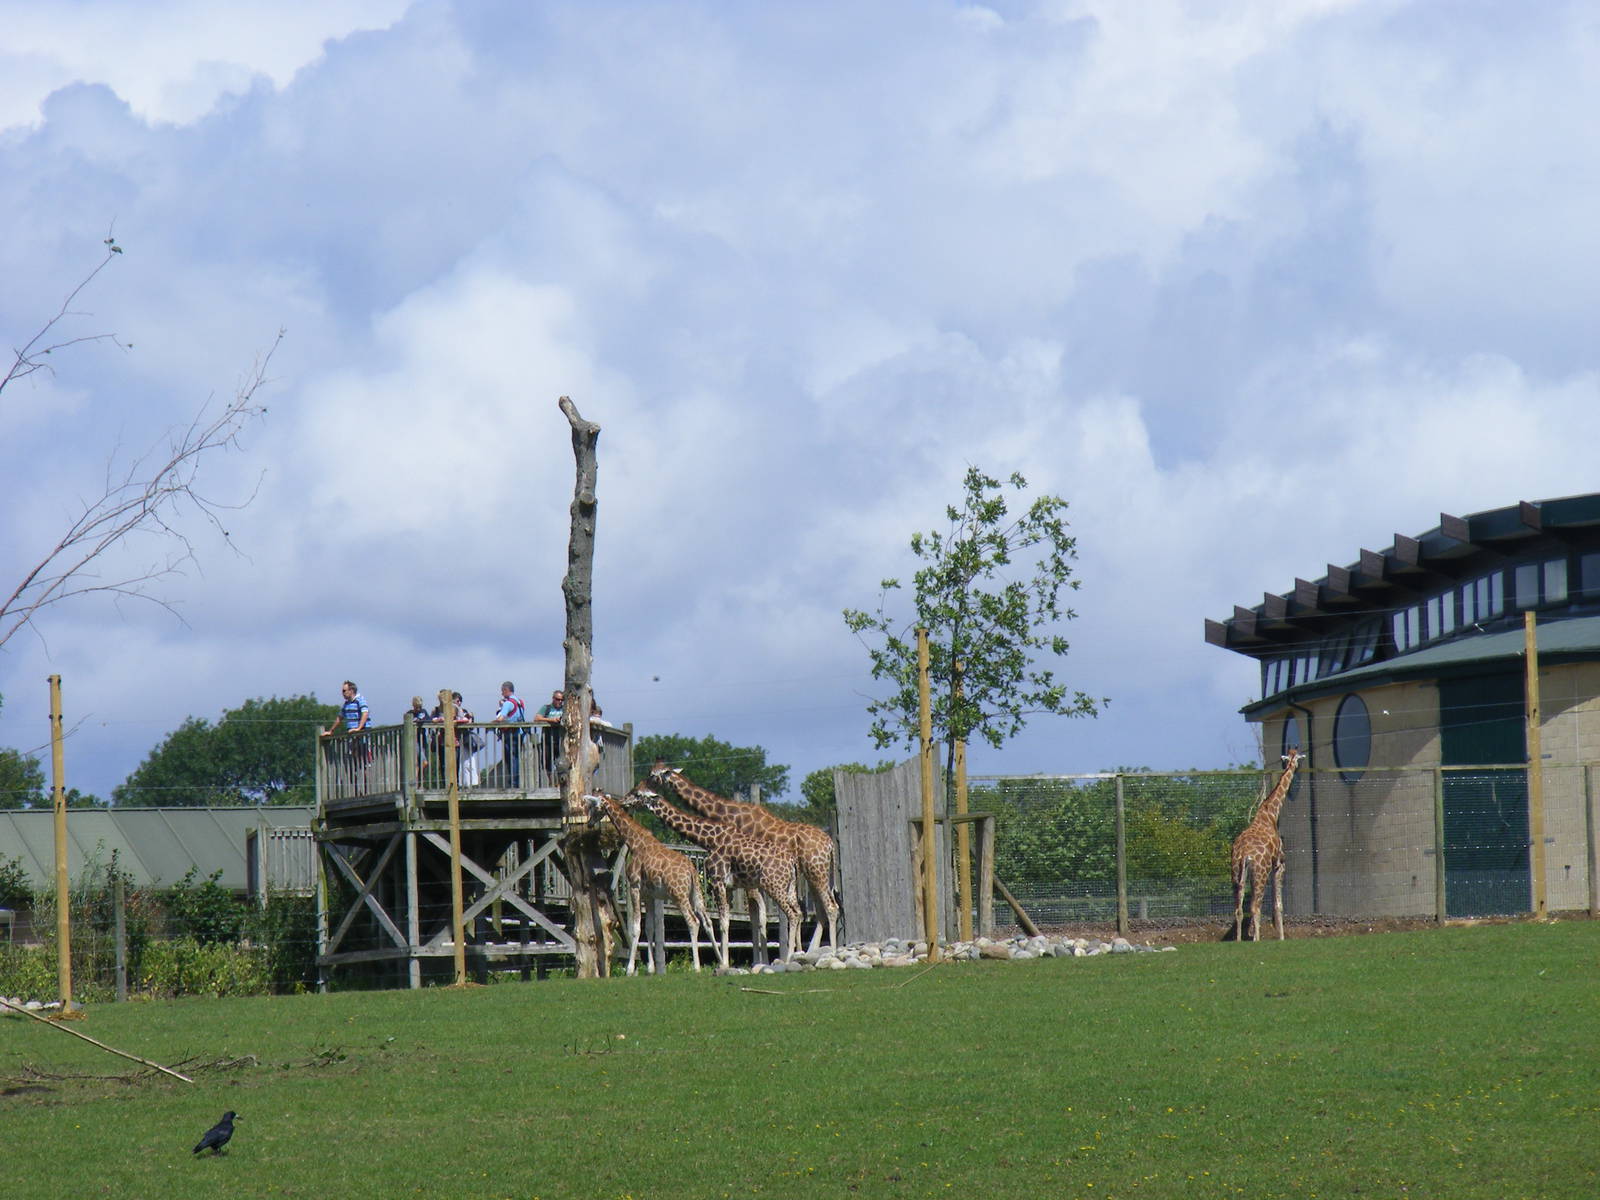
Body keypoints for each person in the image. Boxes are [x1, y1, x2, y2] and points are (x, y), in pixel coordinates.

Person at [321, 681, 371, 790]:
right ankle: (357, 789)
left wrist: (359, 728)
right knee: (352, 762)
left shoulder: (360, 700)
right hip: (352, 735)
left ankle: (367, 790)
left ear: (351, 691)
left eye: (344, 691)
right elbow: (340, 717)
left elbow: (365, 713)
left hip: (361, 734)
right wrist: (331, 731)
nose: (342, 693)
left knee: (363, 762)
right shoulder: (346, 704)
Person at [489, 681, 528, 787]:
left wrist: (491, 724)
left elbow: (501, 718)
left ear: (506, 690)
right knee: (515, 758)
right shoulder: (520, 702)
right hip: (520, 732)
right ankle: (515, 783)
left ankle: (513, 784)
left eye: (502, 691)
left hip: (510, 734)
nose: (502, 693)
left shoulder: (508, 703)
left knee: (511, 759)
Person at [536, 689, 564, 777]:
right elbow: (537, 718)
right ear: (553, 698)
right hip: (547, 740)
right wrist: (551, 720)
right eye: (557, 699)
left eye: (561, 700)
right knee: (546, 762)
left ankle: (560, 782)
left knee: (561, 763)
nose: (559, 701)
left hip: (561, 740)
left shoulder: (565, 709)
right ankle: (550, 781)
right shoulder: (547, 708)